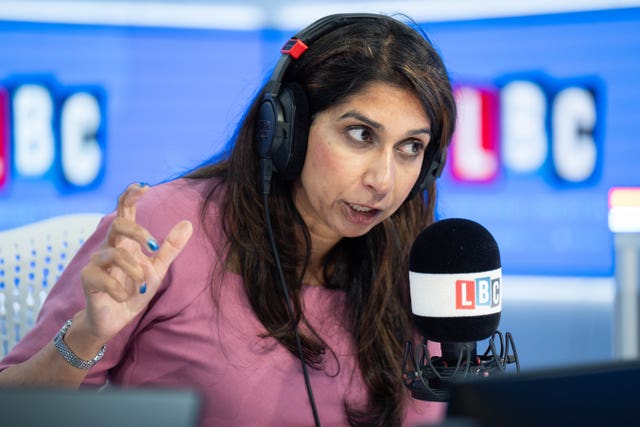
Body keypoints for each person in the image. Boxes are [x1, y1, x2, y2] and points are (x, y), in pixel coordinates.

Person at [0, 12, 456, 427]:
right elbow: (13, 410)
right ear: (285, 131)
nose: (383, 179)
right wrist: (87, 335)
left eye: (411, 147)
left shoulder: (412, 263)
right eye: (360, 134)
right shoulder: (169, 229)